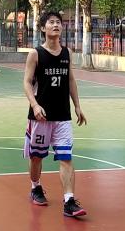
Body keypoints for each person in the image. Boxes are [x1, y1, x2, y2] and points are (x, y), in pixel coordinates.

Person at [23, 11, 88, 217]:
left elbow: (71, 80)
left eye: (58, 22)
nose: (56, 25)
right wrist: (35, 105)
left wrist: (77, 105)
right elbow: (27, 82)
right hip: (41, 116)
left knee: (66, 157)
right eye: (51, 22)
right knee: (36, 157)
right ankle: (35, 187)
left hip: (62, 116)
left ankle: (69, 201)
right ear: (43, 28)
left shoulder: (67, 53)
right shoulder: (35, 54)